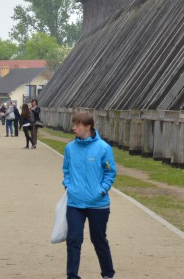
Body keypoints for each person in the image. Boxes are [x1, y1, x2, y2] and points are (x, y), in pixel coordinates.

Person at [63, 111, 116, 279]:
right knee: (73, 240)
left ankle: (108, 274)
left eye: (78, 125)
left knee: (99, 240)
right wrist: (68, 186)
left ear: (88, 127)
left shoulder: (104, 148)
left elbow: (110, 172)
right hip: (75, 202)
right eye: (74, 124)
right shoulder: (70, 148)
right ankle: (72, 275)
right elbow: (66, 171)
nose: (74, 128)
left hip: (98, 204)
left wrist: (101, 190)